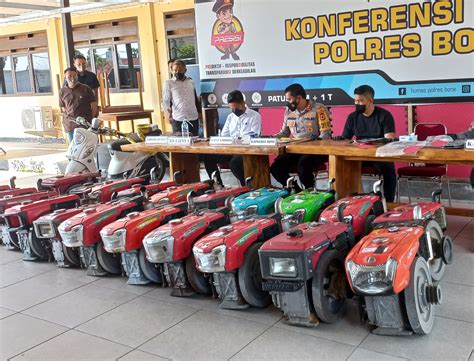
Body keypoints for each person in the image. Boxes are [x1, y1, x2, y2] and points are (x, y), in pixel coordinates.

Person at [270, 83, 332, 190]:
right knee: (276, 168)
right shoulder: (289, 111)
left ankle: (310, 192)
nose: (287, 102)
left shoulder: (319, 109)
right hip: (296, 150)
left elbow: (325, 136)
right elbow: (284, 132)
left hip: (316, 151)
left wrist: (311, 142)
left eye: (289, 99)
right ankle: (297, 191)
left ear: (298, 98)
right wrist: (270, 138)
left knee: (303, 165)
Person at [341, 85, 397, 202]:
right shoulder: (352, 117)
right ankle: (348, 200)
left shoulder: (384, 115)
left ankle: (389, 202)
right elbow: (345, 139)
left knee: (389, 169)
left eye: (360, 101)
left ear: (370, 101)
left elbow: (390, 139)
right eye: (355, 100)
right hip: (359, 155)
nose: (357, 104)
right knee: (343, 165)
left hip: (379, 155)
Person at [203, 90, 261, 185]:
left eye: (236, 108)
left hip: (246, 151)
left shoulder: (255, 116)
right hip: (230, 149)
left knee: (235, 163)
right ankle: (218, 184)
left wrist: (237, 140)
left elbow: (255, 136)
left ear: (243, 103)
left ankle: (246, 186)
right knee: (209, 157)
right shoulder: (231, 117)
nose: (234, 111)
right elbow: (224, 135)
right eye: (231, 108)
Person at [162, 60, 201, 136]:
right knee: (180, 143)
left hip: (193, 117)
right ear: (172, 71)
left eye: (179, 70)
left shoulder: (191, 82)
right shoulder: (168, 83)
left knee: (195, 141)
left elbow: (195, 99)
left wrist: (199, 113)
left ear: (185, 70)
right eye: (175, 70)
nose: (177, 72)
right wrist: (168, 115)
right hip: (178, 118)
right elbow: (165, 101)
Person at [59, 67, 98, 143]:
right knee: (73, 148)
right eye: (69, 76)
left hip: (84, 123)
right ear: (65, 77)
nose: (72, 78)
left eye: (74, 75)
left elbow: (94, 104)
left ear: (77, 76)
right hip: (69, 124)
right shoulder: (62, 91)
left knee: (86, 146)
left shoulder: (86, 89)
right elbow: (63, 107)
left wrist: (91, 117)